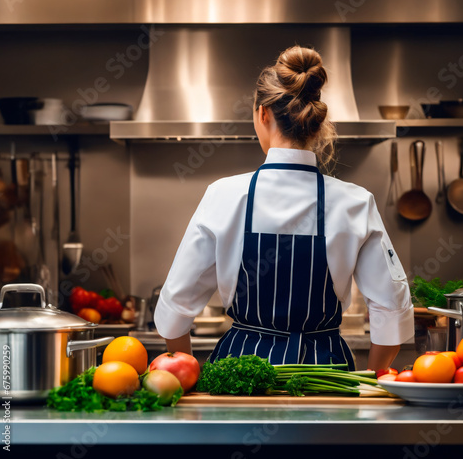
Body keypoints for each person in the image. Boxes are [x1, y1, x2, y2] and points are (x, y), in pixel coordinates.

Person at [154, 45, 414, 371]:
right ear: (318, 124)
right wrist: (373, 380)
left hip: (240, 378)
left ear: (263, 114)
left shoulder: (223, 195)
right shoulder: (355, 202)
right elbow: (392, 311)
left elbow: (174, 310)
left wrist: (186, 373)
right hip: (326, 378)